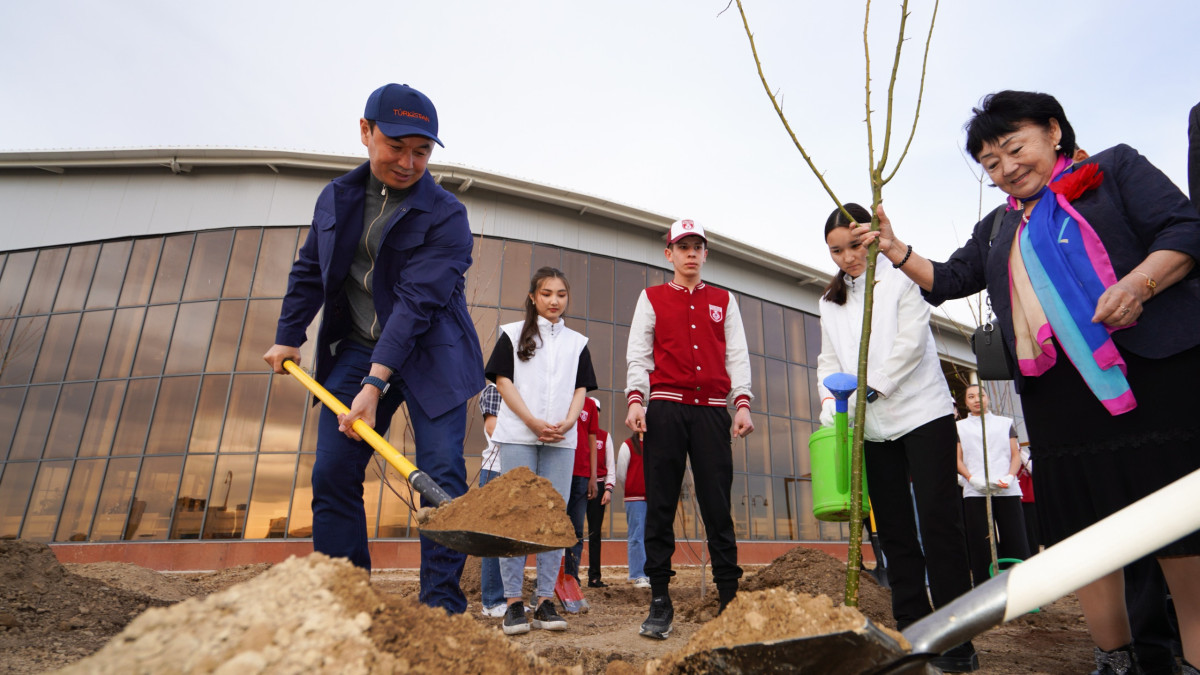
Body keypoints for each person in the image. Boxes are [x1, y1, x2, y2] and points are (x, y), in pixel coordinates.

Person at [861, 90, 1200, 675]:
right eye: (991, 164)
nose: (1007, 168)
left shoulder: (1111, 172)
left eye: (1015, 148)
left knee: (1179, 537)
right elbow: (948, 279)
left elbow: (1185, 227)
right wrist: (894, 249)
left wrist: (1139, 284)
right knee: (1088, 544)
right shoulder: (997, 227)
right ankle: (1112, 661)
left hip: (1151, 383)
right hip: (1061, 405)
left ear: (1053, 131)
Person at [263, 83, 484, 614]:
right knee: (333, 472)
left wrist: (375, 383)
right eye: (397, 147)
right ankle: (348, 603)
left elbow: (415, 304)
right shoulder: (336, 198)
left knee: (442, 475)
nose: (409, 163)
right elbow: (311, 270)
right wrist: (289, 333)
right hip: (359, 349)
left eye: (423, 151)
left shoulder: (447, 216)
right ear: (366, 132)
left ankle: (440, 608)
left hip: (433, 353)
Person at [817, 203, 978, 672]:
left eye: (853, 246)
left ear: (871, 236)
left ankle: (956, 635)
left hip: (922, 413)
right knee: (893, 530)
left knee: (938, 521)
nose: (847, 258)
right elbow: (828, 360)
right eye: (836, 251)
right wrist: (832, 402)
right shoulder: (830, 301)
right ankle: (912, 626)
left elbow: (910, 343)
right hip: (871, 428)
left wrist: (871, 384)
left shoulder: (904, 275)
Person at [624, 218, 755, 640]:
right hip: (665, 409)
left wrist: (742, 405)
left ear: (705, 253)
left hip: (713, 412)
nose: (691, 253)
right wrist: (636, 400)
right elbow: (639, 355)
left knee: (717, 506)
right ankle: (660, 600)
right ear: (670, 254)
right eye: (683, 247)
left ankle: (729, 598)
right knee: (660, 504)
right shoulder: (652, 297)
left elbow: (737, 355)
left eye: (698, 246)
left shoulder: (723, 299)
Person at [485, 266, 597, 636]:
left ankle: (546, 599)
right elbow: (503, 382)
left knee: (554, 518)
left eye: (561, 294)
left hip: (561, 440)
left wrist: (567, 423)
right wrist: (532, 421)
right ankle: (514, 603)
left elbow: (582, 389)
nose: (554, 301)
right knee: (515, 517)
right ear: (533, 297)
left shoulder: (577, 343)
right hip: (519, 435)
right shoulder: (511, 334)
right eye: (546, 293)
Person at [955, 384, 1030, 586]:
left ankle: (1022, 585)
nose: (977, 399)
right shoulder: (959, 427)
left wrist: (1010, 476)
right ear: (966, 403)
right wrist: (971, 478)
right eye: (971, 396)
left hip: (1006, 488)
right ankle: (984, 587)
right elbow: (957, 459)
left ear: (988, 398)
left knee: (1015, 537)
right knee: (981, 542)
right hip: (975, 491)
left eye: (981, 395)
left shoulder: (1005, 423)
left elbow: (1015, 455)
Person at [477, 382, 506, 618]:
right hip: (495, 470)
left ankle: (508, 598)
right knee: (493, 539)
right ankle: (492, 601)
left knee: (512, 539)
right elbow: (492, 427)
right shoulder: (495, 389)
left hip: (517, 470)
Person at [564, 397, 600, 588]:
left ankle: (571, 578)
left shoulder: (589, 405)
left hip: (581, 475)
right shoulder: (559, 395)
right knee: (553, 529)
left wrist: (593, 477)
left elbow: (592, 440)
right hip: (559, 472)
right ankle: (550, 577)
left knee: (576, 530)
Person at [584, 408, 617, 587]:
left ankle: (594, 576)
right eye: (592, 411)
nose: (595, 414)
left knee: (595, 533)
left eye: (598, 411)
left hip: (599, 486)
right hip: (580, 485)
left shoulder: (605, 436)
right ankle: (571, 575)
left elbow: (611, 463)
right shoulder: (579, 434)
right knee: (573, 532)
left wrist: (608, 489)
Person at [616, 433, 650, 588]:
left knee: (651, 536)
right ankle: (638, 574)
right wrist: (631, 488)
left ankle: (650, 572)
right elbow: (621, 474)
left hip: (654, 498)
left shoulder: (657, 444)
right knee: (637, 535)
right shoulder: (628, 445)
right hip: (635, 498)